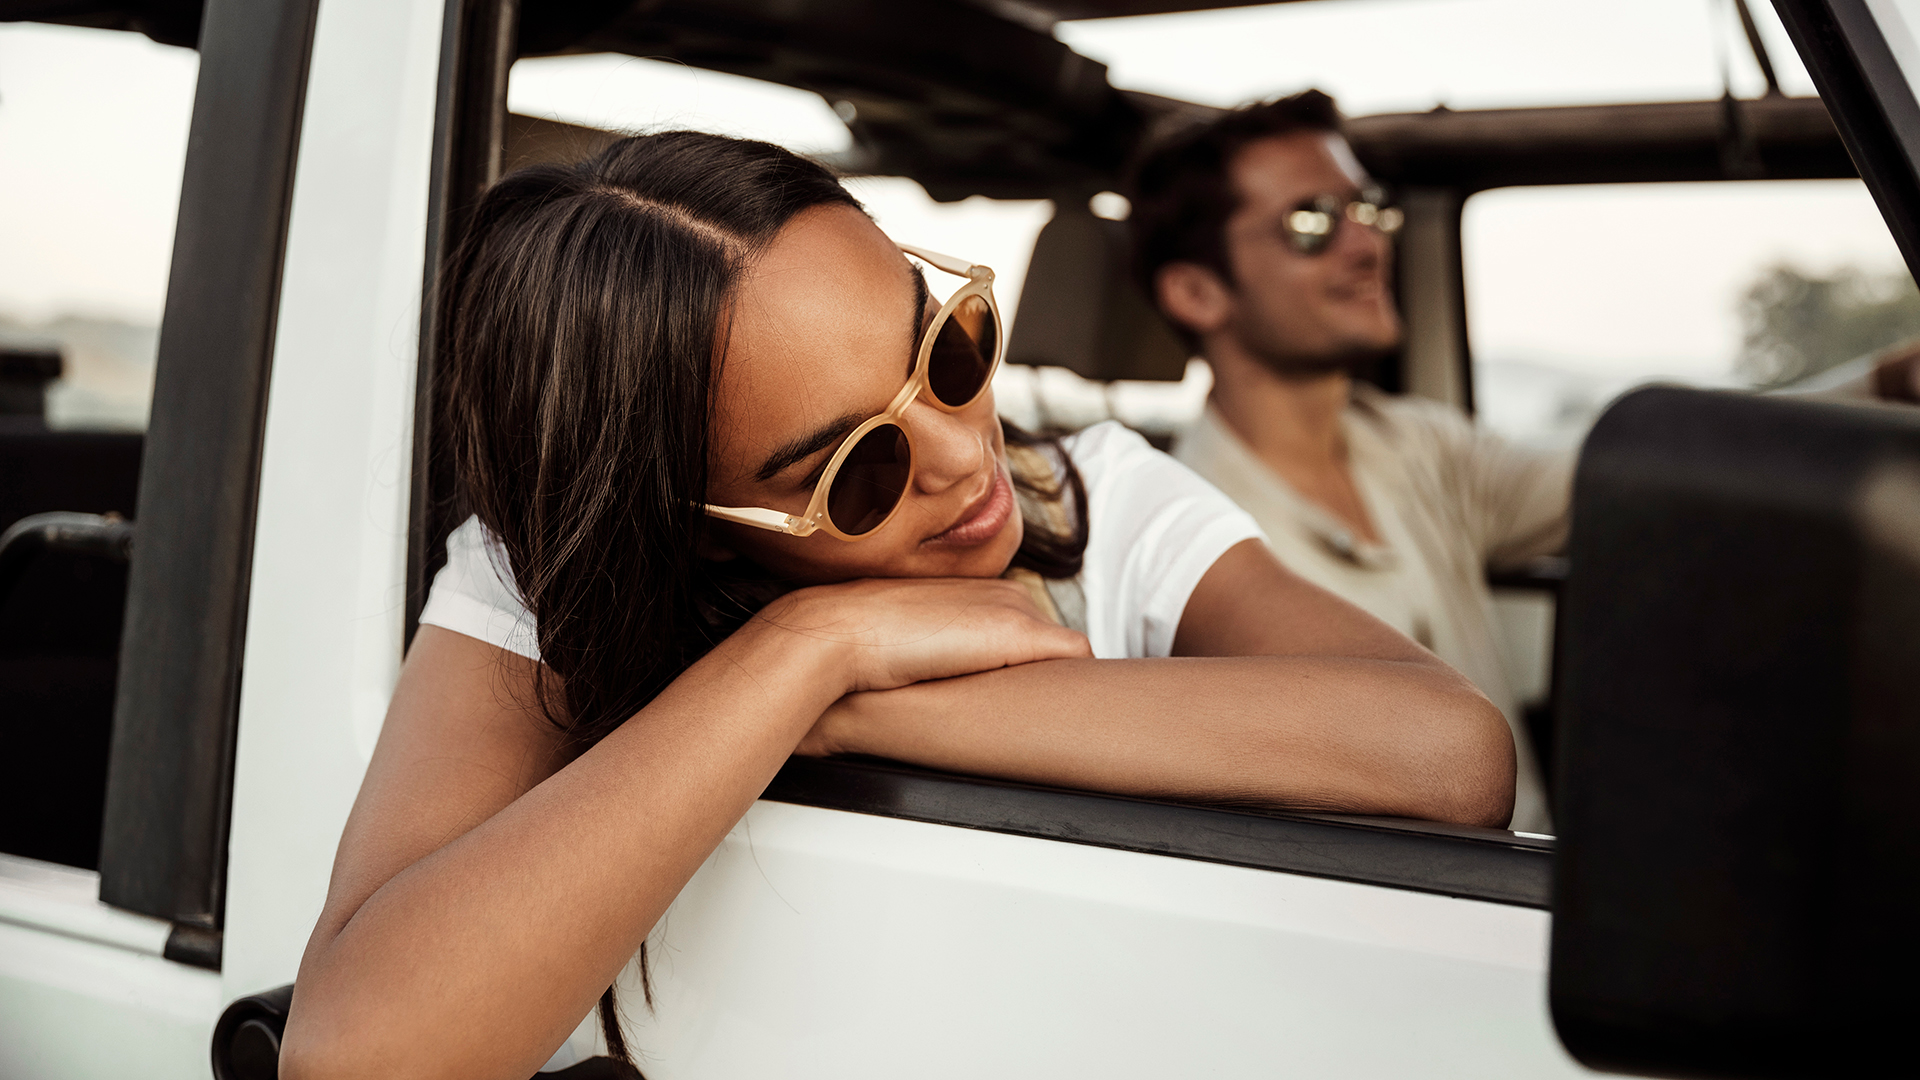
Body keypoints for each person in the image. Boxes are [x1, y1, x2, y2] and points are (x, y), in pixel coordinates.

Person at [278, 131, 1513, 1079]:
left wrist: (847, 714)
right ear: (695, 533)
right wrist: (811, 650)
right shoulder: (540, 576)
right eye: (856, 468)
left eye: (949, 348)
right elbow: (355, 1055)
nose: (965, 457)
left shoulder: (1103, 500)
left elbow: (1449, 752)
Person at [1129, 92, 1569, 834]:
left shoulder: (1426, 448)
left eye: (1366, 209)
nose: (1366, 245)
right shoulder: (1184, 545)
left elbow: (1631, 479)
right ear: (1197, 292)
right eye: (1312, 223)